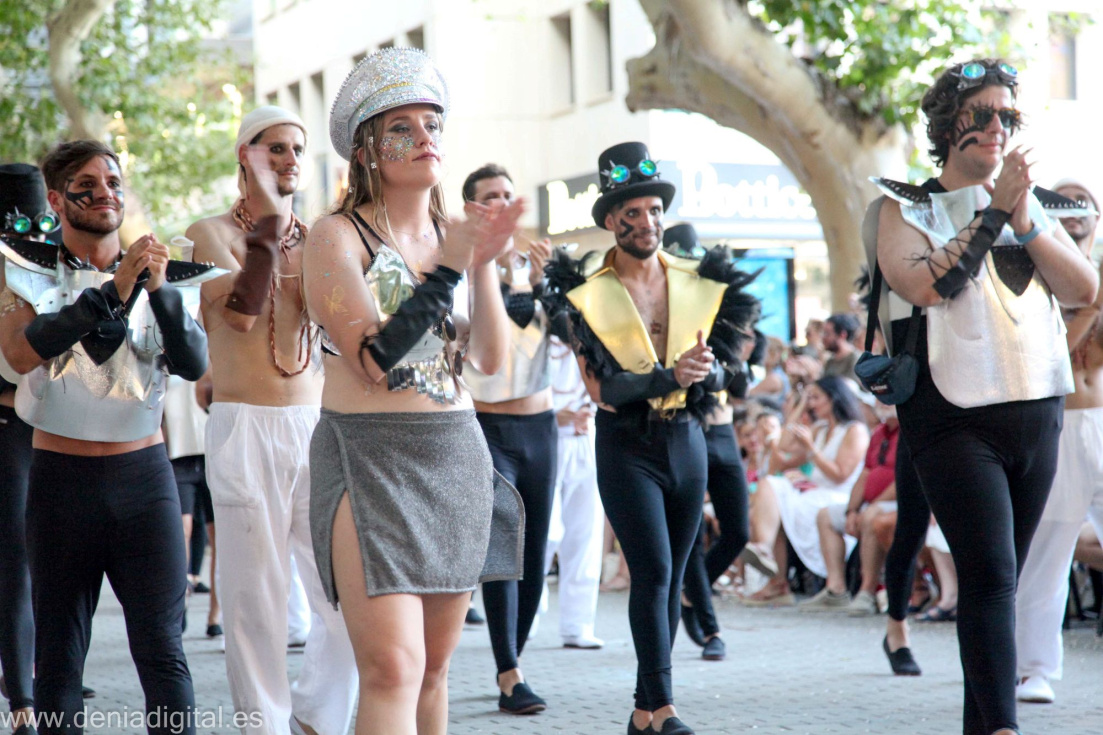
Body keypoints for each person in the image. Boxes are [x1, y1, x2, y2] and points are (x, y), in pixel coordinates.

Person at [872, 59, 1097, 735]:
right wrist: (993, 210)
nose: (997, 126)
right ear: (948, 125)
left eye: (1007, 115)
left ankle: (985, 724)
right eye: (982, 113)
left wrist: (1023, 219)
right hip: (951, 417)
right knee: (992, 576)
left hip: (1037, 412)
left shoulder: (1031, 207)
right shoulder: (901, 207)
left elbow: (1083, 289)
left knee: (1000, 583)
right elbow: (923, 286)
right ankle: (1003, 727)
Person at [304, 47, 525, 735]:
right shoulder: (334, 235)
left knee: (432, 670)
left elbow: (489, 359)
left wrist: (482, 265)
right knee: (392, 670)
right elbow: (374, 358)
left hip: (454, 453)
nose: (424, 136)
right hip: (369, 455)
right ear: (366, 149)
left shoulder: (450, 236)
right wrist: (452, 266)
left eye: (431, 123)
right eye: (400, 127)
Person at [0, 140, 216, 734]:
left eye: (114, 182)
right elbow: (21, 354)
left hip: (144, 481)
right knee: (59, 656)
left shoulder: (164, 272)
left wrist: (157, 290)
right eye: (88, 184)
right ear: (56, 199)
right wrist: (113, 290)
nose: (105, 194)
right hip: (60, 483)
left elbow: (193, 363)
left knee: (162, 650)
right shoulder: (21, 270)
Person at [543, 141, 758, 735]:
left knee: (672, 575)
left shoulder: (700, 281)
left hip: (688, 439)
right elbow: (603, 391)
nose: (646, 222)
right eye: (632, 213)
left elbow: (731, 371)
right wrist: (671, 376)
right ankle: (665, 709)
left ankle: (643, 711)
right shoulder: (586, 292)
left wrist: (710, 371)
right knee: (655, 571)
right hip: (625, 445)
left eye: (654, 210)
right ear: (611, 220)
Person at [187, 106, 357, 735]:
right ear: (245, 154)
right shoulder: (207, 234)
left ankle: (318, 719)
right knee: (255, 600)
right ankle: (264, 726)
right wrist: (269, 223)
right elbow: (242, 312)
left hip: (318, 425)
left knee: (346, 593)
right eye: (275, 148)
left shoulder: (320, 238)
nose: (289, 160)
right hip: (244, 426)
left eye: (297, 149)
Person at [460, 163, 559, 712]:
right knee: (501, 545)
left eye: (507, 194)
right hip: (488, 425)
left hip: (541, 427)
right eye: (489, 196)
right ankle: (509, 672)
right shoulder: (460, 271)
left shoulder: (536, 267)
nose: (501, 202)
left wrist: (547, 285)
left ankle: (513, 660)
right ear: (473, 208)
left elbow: (573, 338)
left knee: (536, 552)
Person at [1014, 179, 1102, 705]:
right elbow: (1050, 355)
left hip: (1101, 421)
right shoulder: (1035, 275)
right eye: (1060, 203)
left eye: (1082, 202)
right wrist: (1088, 309)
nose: (1072, 211)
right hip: (1061, 425)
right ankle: (1034, 669)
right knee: (1048, 552)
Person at [666, 223, 753, 663]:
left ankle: (688, 592)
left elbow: (740, 385)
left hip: (723, 430)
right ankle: (711, 628)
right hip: (687, 428)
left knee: (738, 531)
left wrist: (737, 353)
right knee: (692, 535)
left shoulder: (721, 308)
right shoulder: (663, 310)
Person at [0, 163, 59, 735]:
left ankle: (46, 676)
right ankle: (23, 698)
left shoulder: (55, 262)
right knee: (16, 560)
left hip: (50, 425)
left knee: (49, 557)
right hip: (9, 425)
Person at [740, 376, 870, 604]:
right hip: (814, 494)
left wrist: (811, 449)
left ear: (834, 398)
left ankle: (776, 578)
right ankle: (766, 555)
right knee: (770, 485)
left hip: (837, 496)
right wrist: (800, 404)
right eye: (810, 398)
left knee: (775, 496)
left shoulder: (854, 430)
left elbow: (841, 474)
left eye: (816, 398)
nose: (812, 404)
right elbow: (783, 448)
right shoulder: (820, 429)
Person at [801, 402, 899, 614]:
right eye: (879, 399)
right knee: (826, 516)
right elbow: (865, 474)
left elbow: (903, 478)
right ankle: (836, 589)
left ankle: (867, 592)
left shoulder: (908, 432)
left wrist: (872, 506)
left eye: (887, 399)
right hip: (872, 504)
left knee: (871, 516)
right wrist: (852, 511)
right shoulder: (879, 433)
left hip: (898, 503)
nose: (881, 403)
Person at [544, 335, 605, 650]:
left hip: (586, 440)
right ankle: (527, 611)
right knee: (546, 533)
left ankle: (577, 624)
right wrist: (558, 415)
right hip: (546, 439)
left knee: (585, 535)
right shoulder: (542, 335)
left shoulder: (596, 337)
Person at [821, 313, 860, 383]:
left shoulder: (856, 360)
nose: (823, 337)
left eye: (827, 333)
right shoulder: (830, 361)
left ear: (842, 335)